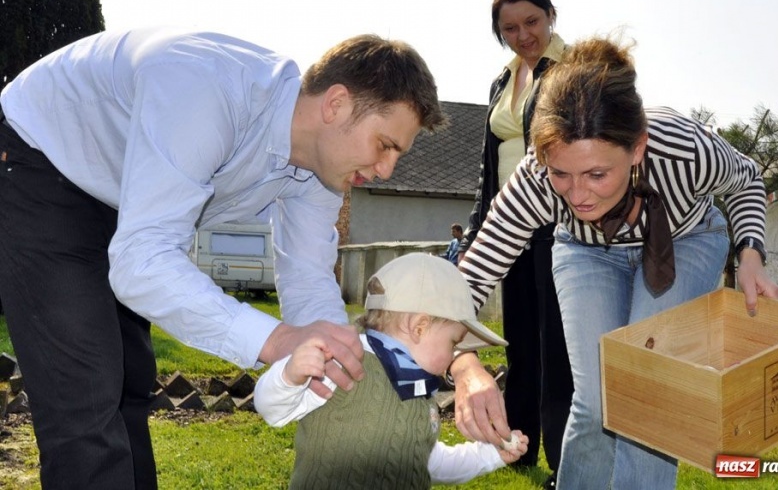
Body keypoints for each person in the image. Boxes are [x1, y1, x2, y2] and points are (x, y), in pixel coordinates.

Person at [0, 28, 445, 489]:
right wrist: (273, 339)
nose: (386, 170)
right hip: (41, 162)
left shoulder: (321, 171)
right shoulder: (206, 93)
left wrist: (336, 367)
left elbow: (309, 275)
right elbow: (141, 261)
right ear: (336, 104)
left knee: (129, 383)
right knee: (86, 396)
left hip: (122, 199)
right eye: (385, 145)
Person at [450, 34, 778, 489]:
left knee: (647, 390)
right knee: (596, 399)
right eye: (562, 174)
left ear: (637, 148)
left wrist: (750, 252)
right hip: (586, 252)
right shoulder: (536, 181)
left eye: (597, 174)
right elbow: (473, 275)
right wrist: (464, 363)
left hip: (685, 241)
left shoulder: (685, 151)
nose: (579, 194)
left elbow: (747, 182)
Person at [254, 252, 529, 489]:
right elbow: (272, 409)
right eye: (453, 342)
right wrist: (288, 376)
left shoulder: (420, 391)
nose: (453, 355)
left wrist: (489, 456)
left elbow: (427, 463)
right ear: (419, 327)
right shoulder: (344, 361)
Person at [457, 0, 573, 484]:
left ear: (551, 14)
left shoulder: (573, 71)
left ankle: (564, 459)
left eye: (531, 21)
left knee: (559, 349)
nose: (523, 34)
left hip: (556, 224)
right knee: (520, 342)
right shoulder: (502, 81)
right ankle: (518, 445)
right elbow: (490, 162)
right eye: (509, 27)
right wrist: (481, 224)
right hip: (509, 230)